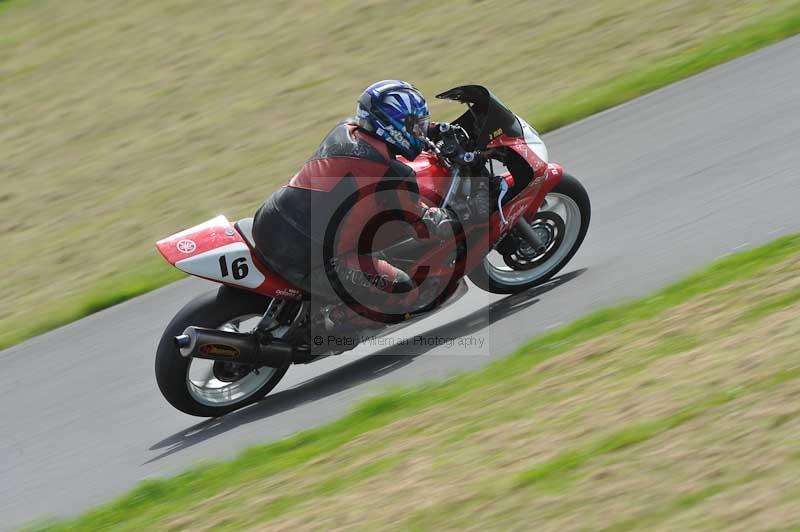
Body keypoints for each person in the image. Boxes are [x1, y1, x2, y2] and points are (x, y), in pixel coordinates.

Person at [252, 80, 451, 330]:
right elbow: (420, 226)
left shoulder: (344, 130)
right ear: (395, 126)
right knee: (405, 290)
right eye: (415, 125)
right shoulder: (393, 174)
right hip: (308, 258)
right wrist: (441, 218)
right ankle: (337, 327)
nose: (419, 132)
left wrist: (432, 130)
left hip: (269, 221)